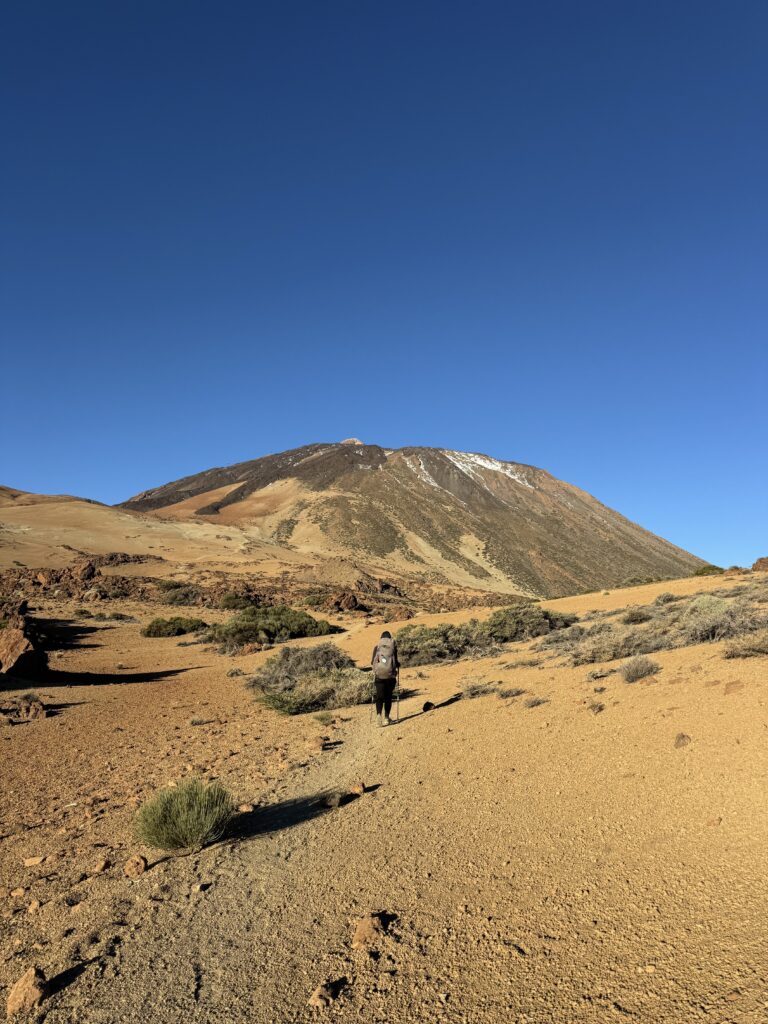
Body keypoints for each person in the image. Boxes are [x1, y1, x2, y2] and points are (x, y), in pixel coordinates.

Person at [371, 629, 399, 726]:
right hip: (390, 676)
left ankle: (378, 715)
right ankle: (387, 718)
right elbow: (396, 662)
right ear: (390, 639)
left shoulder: (377, 648)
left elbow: (372, 662)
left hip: (379, 676)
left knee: (379, 697)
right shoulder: (393, 648)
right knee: (388, 697)